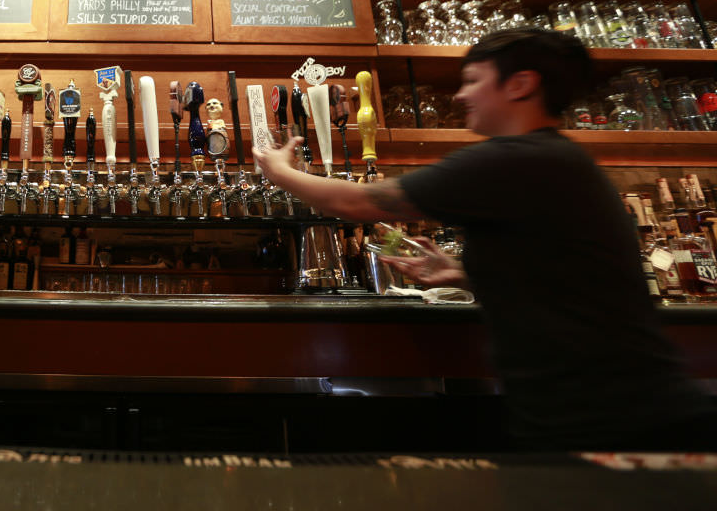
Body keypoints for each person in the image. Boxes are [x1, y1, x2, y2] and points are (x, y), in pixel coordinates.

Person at [252, 27, 715, 451]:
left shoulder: (515, 159)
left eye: (473, 80)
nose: (461, 94)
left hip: (613, 416)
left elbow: (360, 203)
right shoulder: (551, 160)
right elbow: (559, 277)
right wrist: (463, 274)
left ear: (520, 84)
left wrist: (280, 172)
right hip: (607, 407)